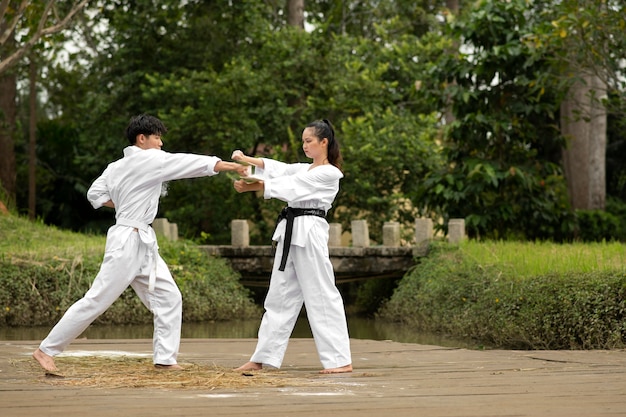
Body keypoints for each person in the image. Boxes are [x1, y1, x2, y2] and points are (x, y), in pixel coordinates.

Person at [33, 114, 248, 373]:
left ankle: (165, 359)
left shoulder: (115, 167)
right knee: (97, 299)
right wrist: (231, 167)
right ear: (142, 138)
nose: (160, 143)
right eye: (157, 137)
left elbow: (95, 195)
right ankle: (46, 349)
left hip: (139, 238)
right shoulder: (150, 159)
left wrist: (124, 204)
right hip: (128, 239)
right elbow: (189, 162)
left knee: (169, 297)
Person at [231, 119, 352, 374]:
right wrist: (247, 162)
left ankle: (339, 360)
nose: (305, 145)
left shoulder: (330, 173)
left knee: (320, 294)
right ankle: (263, 358)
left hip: (309, 231)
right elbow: (282, 170)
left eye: (309, 141)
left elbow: (293, 186)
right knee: (279, 296)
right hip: (290, 231)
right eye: (303, 141)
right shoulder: (306, 168)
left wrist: (254, 184)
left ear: (324, 142)